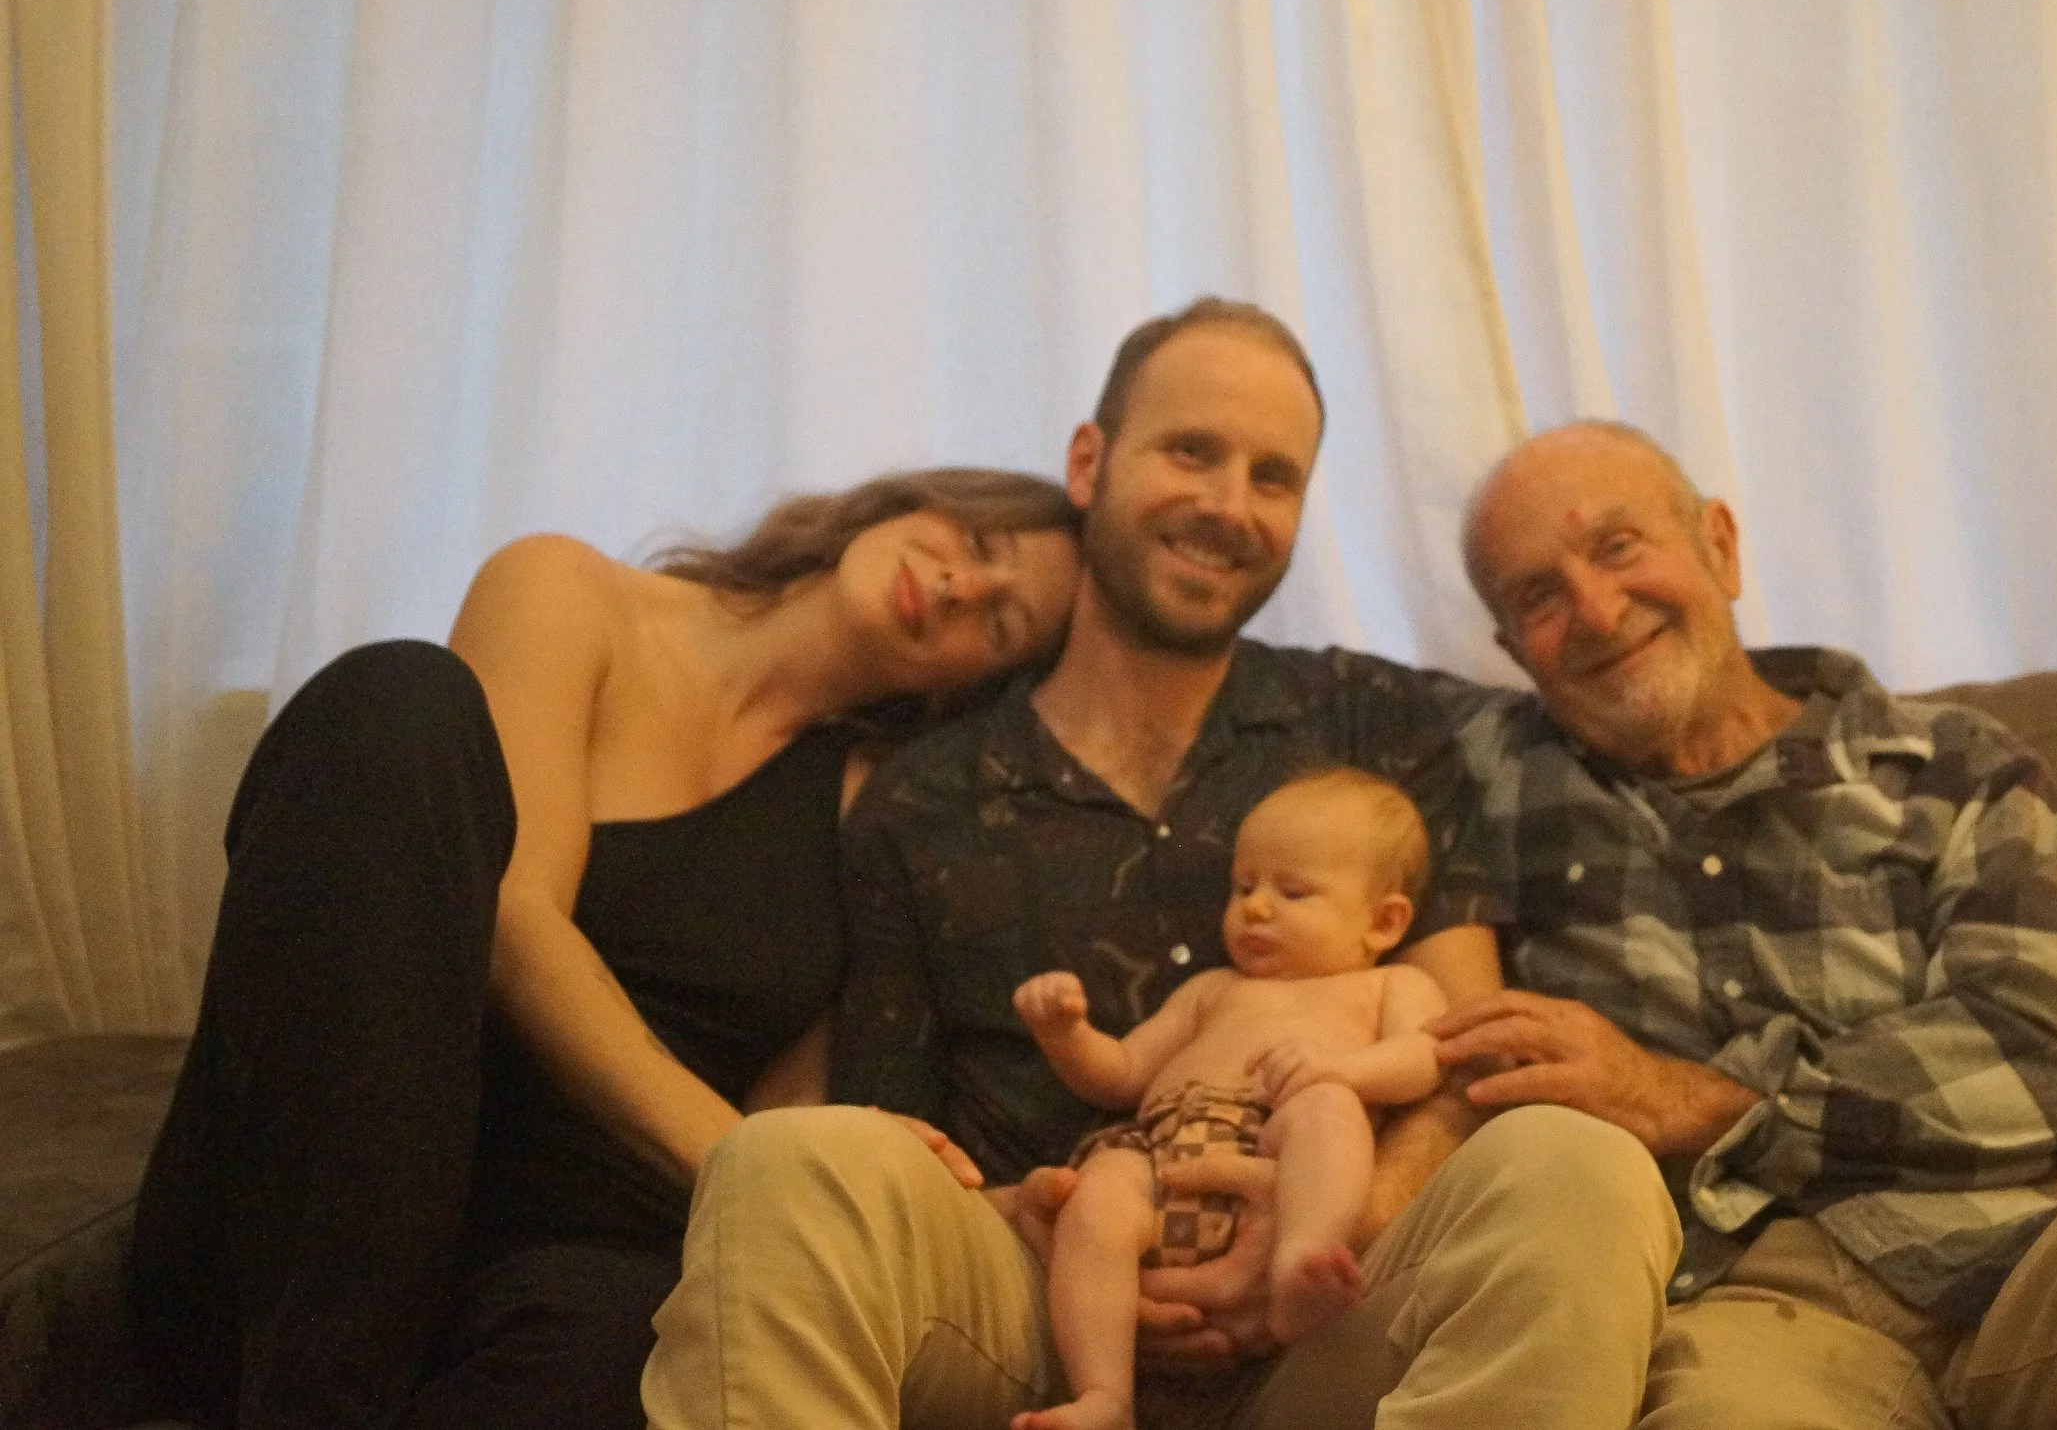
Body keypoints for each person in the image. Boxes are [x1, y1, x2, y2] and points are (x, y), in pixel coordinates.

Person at [641, 299, 1677, 1430]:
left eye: (1273, 477)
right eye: (1191, 451)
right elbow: (898, 1127)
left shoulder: (1374, 722)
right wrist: (1025, 1209)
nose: (1229, 505)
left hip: (1334, 1287)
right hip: (1041, 1301)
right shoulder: (923, 796)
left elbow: (1464, 1055)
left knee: (1577, 1166)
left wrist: (1340, 1218)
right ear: (1090, 462)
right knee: (786, 1161)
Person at [1436, 418, 2057, 1428]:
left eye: (1619, 545)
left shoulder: (1958, 764)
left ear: (1721, 544)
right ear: (1511, 650)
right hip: (1755, 1301)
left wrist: (1697, 1098)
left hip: (2045, 1252)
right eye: (1538, 596)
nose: (1597, 608)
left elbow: (2046, 1057)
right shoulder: (1486, 784)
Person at [129, 468, 1084, 1430]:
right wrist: (744, 1160)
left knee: (646, 1332)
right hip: (320, 1213)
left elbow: (788, 1111)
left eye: (1000, 624)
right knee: (398, 702)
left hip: (568, 1278)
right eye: (978, 543)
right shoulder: (565, 593)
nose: (962, 586)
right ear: (915, 502)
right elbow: (515, 922)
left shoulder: (875, 815)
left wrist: (940, 1210)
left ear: (974, 690)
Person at [1012, 767, 1447, 1430]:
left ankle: (1304, 1257)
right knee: (1095, 1197)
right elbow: (1122, 1074)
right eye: (1244, 887)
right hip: (1159, 1155)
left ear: (1383, 922)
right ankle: (1104, 1395)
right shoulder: (1212, 989)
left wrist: (1341, 1071)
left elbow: (1425, 1058)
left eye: (1292, 891)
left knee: (1326, 1108)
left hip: (1273, 1150)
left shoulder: (1391, 986)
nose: (1255, 908)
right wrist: (1066, 1034)